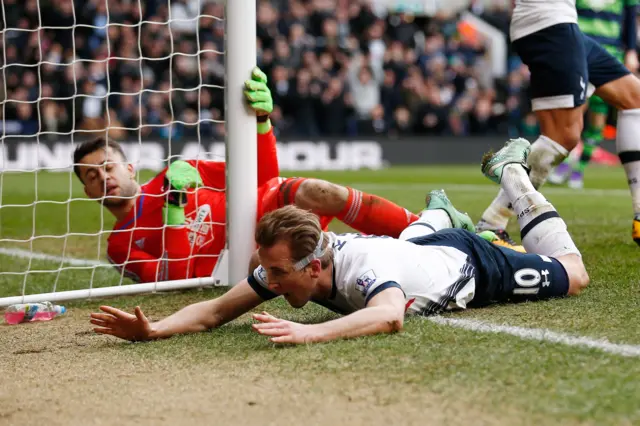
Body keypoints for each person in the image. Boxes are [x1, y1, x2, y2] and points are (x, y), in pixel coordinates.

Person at [89, 138, 588, 344]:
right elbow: (217, 309)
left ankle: (514, 178)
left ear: (312, 265)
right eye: (270, 272)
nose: (272, 283)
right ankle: (442, 215)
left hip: (469, 265)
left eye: (279, 275)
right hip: (414, 250)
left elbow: (389, 314)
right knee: (421, 238)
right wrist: (154, 329)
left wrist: (309, 332)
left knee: (573, 274)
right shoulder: (286, 265)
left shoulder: (361, 267)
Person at [73, 67, 424, 283]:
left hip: (267, 213)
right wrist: (175, 208)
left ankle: (426, 231)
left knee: (318, 190)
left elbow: (264, 177)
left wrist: (262, 123)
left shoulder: (179, 171)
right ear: (87, 192)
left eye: (108, 166)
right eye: (91, 176)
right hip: (244, 261)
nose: (102, 177)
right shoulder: (119, 246)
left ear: (129, 168)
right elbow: (176, 278)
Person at [476, 0, 640, 246]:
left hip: (557, 23)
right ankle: (491, 223)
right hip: (549, 23)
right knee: (563, 137)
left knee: (633, 98)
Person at [548, 0, 639, 189]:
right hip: (580, 49)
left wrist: (631, 50)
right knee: (575, 111)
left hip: (610, 52)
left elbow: (631, 16)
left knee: (598, 120)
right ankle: (565, 161)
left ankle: (579, 168)